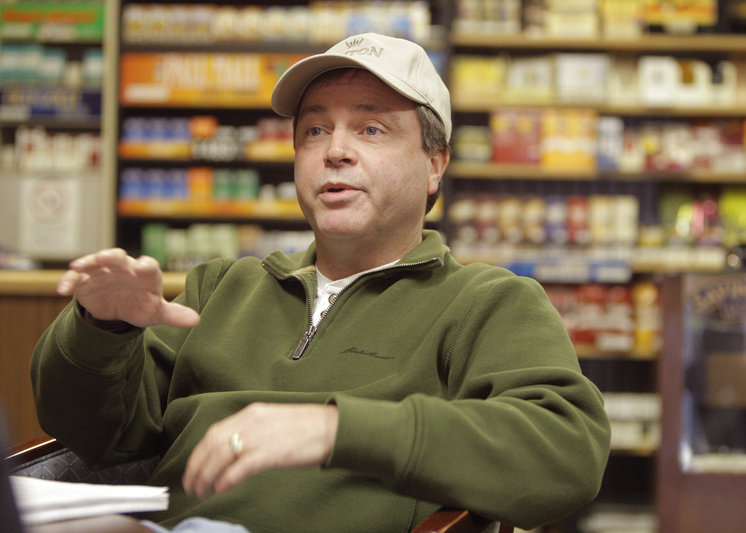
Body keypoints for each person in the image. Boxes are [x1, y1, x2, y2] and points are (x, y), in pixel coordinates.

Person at [30, 33, 610, 532]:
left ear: (435, 165)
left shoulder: (487, 302)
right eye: (313, 131)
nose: (335, 151)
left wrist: (336, 429)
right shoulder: (221, 289)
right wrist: (100, 330)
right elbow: (92, 435)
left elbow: (566, 450)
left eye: (372, 129)